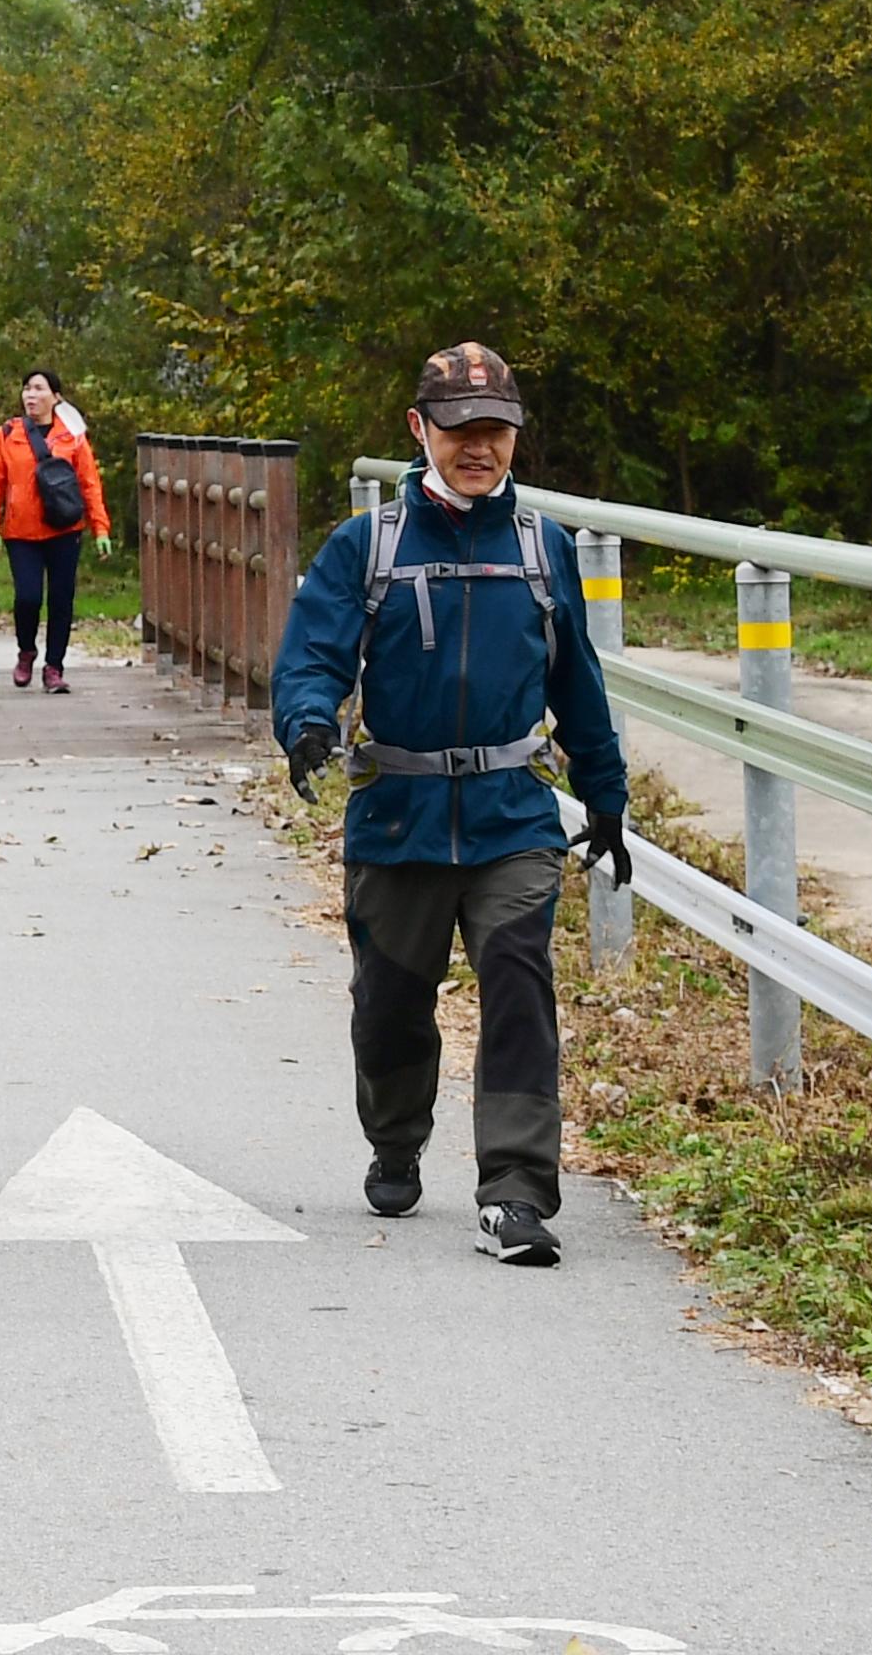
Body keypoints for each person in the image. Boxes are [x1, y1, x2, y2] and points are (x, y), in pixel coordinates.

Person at [269, 341, 628, 1269]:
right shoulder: (369, 547)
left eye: (497, 432)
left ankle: (514, 1193)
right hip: (399, 818)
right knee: (390, 1003)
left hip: (512, 814)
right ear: (419, 430)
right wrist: (307, 720)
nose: (481, 448)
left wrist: (607, 793)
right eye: (463, 430)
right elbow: (312, 653)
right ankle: (396, 1137)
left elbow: (577, 683)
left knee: (518, 980)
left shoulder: (541, 549)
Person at [0, 368, 111, 693]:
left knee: (62, 599)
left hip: (65, 528)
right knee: (27, 597)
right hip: (21, 532)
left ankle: (54, 667)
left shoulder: (72, 436)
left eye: (38, 389)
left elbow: (89, 482)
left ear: (56, 397)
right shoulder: (8, 433)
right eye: (26, 389)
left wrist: (101, 527)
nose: (30, 395)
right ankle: (26, 651)